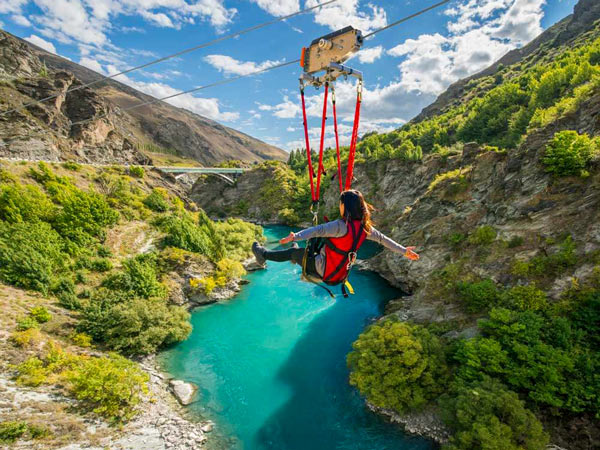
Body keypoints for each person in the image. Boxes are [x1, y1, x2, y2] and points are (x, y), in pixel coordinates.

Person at [251, 190, 419, 284]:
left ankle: (262, 255)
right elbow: (384, 240)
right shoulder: (365, 228)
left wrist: (295, 236)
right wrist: (404, 251)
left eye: (340, 203)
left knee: (293, 253)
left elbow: (317, 230)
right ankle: (295, 252)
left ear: (344, 206)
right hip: (338, 276)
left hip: (323, 270)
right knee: (298, 252)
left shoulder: (339, 226)